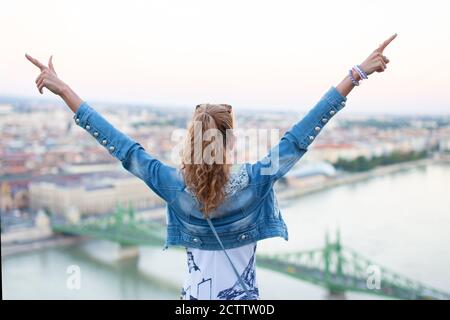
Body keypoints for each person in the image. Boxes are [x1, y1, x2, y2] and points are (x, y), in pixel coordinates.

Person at [25, 33, 396, 300]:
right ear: (231, 142)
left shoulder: (172, 185)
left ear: (193, 142)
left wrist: (66, 92)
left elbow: (122, 147)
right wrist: (356, 75)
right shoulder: (255, 180)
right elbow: (300, 137)